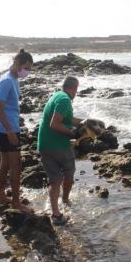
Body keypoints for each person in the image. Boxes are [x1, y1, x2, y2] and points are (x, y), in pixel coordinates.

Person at [37, 76, 83, 225]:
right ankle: (65, 199)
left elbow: (65, 119)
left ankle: (56, 215)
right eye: (77, 90)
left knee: (55, 180)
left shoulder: (57, 95)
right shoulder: (65, 100)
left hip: (45, 145)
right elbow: (55, 124)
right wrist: (74, 134)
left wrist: (84, 122)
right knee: (69, 174)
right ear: (74, 88)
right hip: (59, 146)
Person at [0, 49, 34, 213]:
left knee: (5, 164)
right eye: (27, 67)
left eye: (30, 69)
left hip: (5, 128)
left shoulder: (13, 79)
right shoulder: (7, 81)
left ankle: (2, 196)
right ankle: (16, 203)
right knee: (16, 166)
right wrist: (10, 131)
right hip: (6, 129)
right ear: (18, 63)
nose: (28, 72)